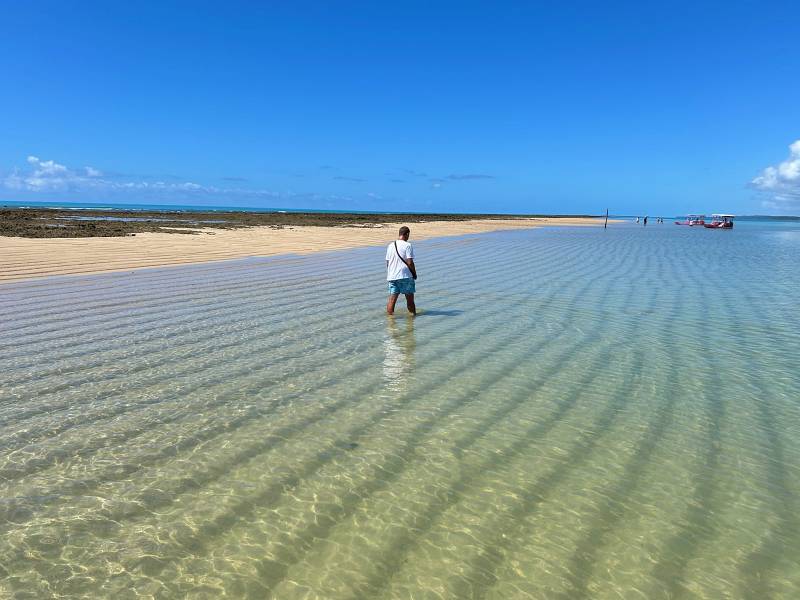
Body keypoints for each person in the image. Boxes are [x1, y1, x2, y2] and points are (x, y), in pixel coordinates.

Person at [386, 225, 417, 315]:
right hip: (405, 276)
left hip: (392, 276)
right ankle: (412, 319)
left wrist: (391, 273)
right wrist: (414, 274)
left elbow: (388, 262)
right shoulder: (408, 245)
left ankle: (390, 321)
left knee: (392, 300)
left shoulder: (390, 245)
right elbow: (410, 262)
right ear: (406, 234)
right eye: (408, 235)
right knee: (410, 299)